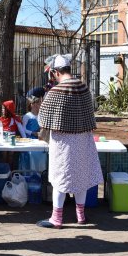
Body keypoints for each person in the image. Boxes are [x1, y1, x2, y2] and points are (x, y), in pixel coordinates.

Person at [37, 54, 103, 229]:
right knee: (80, 177)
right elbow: (90, 114)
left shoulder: (56, 91)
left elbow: (42, 118)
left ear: (56, 72)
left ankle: (56, 219)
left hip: (63, 141)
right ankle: (80, 215)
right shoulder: (83, 88)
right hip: (83, 138)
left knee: (60, 177)